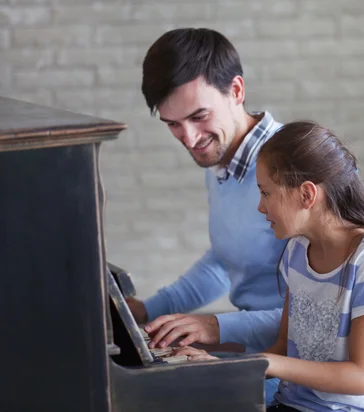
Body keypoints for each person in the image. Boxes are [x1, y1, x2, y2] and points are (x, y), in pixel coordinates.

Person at [176, 121, 364, 411]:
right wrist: (224, 369)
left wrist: (261, 363)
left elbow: (361, 378)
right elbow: (284, 348)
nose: (260, 207)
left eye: (266, 193)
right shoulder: (297, 250)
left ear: (306, 195)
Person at [128, 27, 287, 402]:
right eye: (173, 124)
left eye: (199, 116)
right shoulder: (223, 165)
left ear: (236, 91)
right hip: (262, 362)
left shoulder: (293, 169)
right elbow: (224, 261)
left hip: (304, 382)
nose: (189, 137)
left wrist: (214, 326)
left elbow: (325, 312)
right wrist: (148, 310)